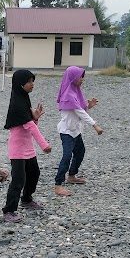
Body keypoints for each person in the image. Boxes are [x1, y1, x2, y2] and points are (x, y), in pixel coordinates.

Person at [2, 69, 51, 223]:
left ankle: (27, 199)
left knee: (34, 173)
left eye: (32, 81)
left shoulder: (24, 99)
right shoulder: (17, 102)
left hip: (27, 147)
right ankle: (9, 210)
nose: (32, 84)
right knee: (18, 180)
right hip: (17, 149)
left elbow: (28, 123)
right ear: (20, 83)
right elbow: (29, 126)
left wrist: (35, 117)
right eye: (29, 81)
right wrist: (44, 145)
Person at [54, 66, 103, 196]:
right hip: (67, 132)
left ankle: (71, 176)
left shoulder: (75, 91)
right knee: (67, 156)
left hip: (75, 130)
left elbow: (79, 111)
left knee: (80, 152)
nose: (82, 80)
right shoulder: (68, 94)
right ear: (73, 77)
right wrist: (95, 125)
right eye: (80, 77)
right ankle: (58, 184)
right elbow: (79, 112)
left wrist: (88, 106)